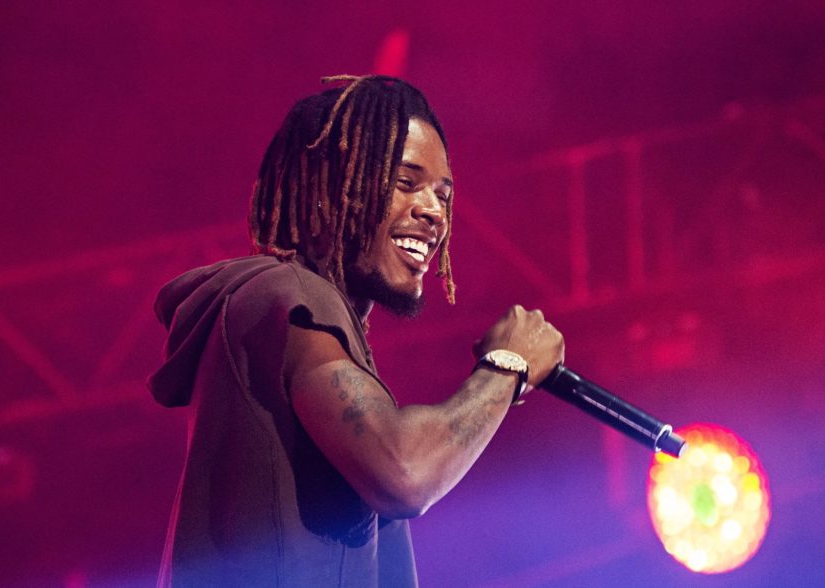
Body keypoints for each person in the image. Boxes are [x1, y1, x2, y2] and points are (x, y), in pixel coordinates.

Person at [148, 75, 564, 587]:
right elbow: (404, 473)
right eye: (405, 183)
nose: (434, 211)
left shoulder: (295, 311)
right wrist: (508, 365)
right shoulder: (289, 294)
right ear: (329, 191)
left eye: (442, 194)